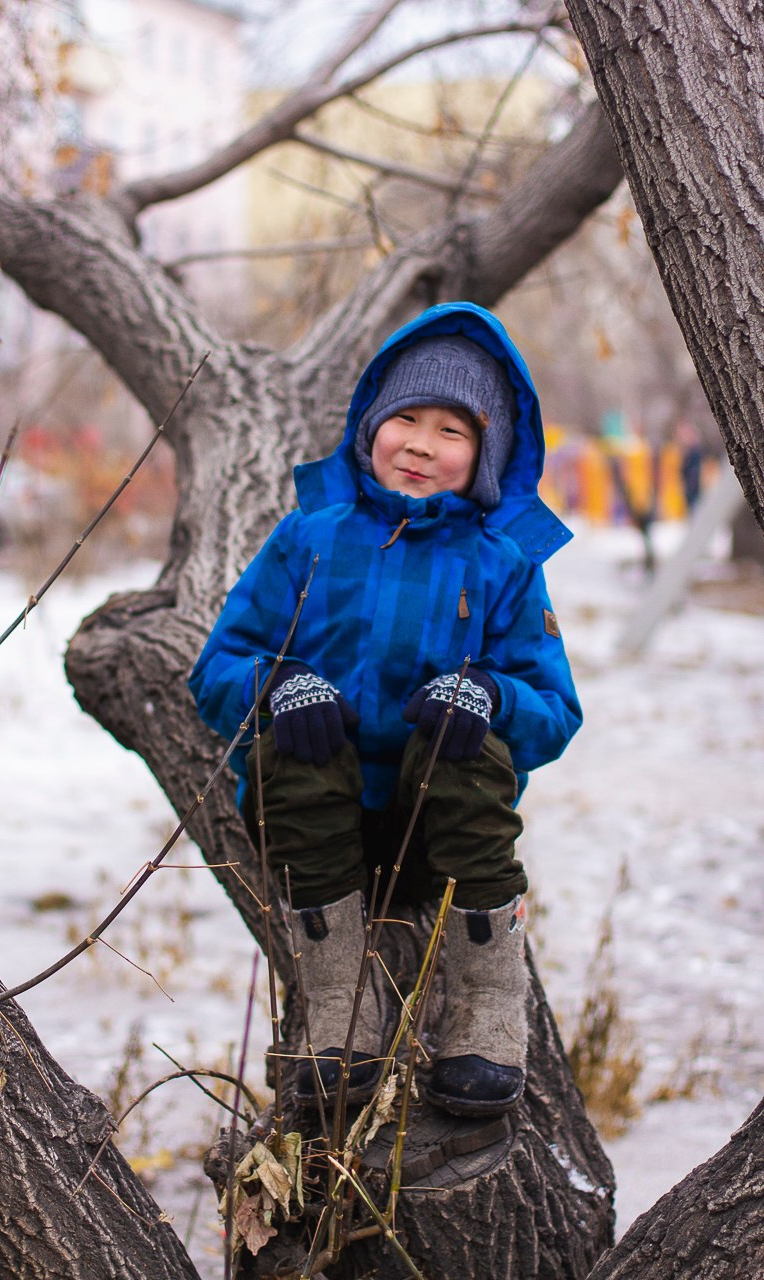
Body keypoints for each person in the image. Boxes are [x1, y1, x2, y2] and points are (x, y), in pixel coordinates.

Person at [189, 302, 582, 1118]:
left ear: (485, 455)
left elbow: (552, 708)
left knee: (462, 742)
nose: (421, 444)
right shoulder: (310, 538)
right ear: (368, 427)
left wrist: (489, 696)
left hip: (436, 836)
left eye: (452, 430)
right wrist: (275, 685)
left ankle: (485, 1007)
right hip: (313, 831)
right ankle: (340, 1005)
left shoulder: (504, 564)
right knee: (293, 740)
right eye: (404, 417)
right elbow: (217, 666)